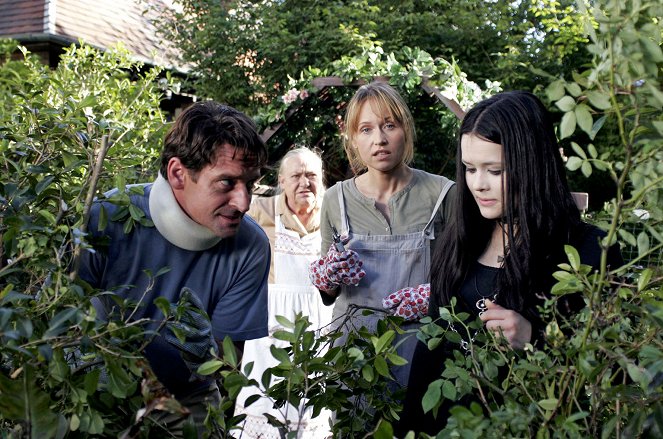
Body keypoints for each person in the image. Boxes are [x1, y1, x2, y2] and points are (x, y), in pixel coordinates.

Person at [395, 91, 623, 435]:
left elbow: (613, 371)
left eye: (495, 170)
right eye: (470, 169)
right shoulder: (459, 243)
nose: (478, 184)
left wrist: (538, 338)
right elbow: (429, 360)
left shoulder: (588, 250)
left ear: (533, 164)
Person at [77, 101, 271, 432]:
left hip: (188, 396)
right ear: (178, 174)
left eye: (249, 184)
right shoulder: (104, 216)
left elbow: (224, 370)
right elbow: (58, 325)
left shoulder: (250, 246)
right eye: (227, 183)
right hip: (95, 390)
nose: (244, 202)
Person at [308, 81, 456, 389]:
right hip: (354, 353)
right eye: (366, 129)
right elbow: (328, 295)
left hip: (423, 348)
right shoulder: (336, 200)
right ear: (353, 139)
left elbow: (466, 275)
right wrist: (328, 277)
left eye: (389, 125)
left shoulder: (442, 195)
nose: (380, 139)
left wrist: (436, 297)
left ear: (406, 130)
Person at [233, 147, 333, 438]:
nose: (305, 182)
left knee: (313, 404)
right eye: (297, 176)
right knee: (265, 403)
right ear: (283, 180)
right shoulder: (260, 210)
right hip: (270, 328)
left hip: (318, 322)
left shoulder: (333, 213)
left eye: (312, 175)